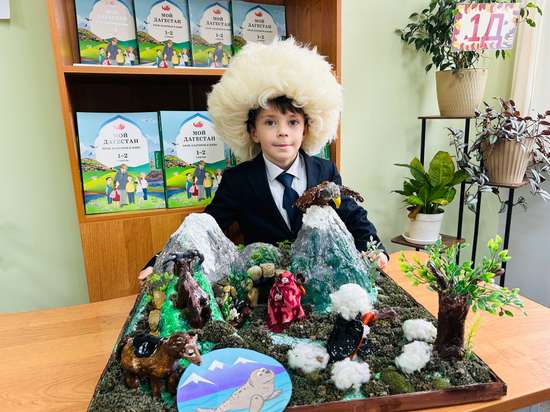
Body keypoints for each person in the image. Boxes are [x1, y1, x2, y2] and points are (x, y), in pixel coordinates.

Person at [138, 38, 387, 282]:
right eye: (270, 122)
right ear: (253, 132)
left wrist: (375, 249)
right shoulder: (238, 180)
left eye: (293, 122)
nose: (283, 132)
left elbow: (353, 215)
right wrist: (160, 263)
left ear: (306, 129)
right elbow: (206, 226)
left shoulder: (325, 171)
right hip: (264, 288)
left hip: (320, 281)